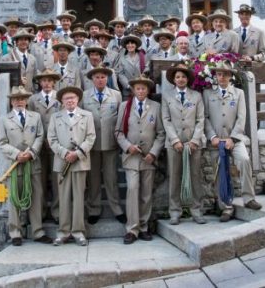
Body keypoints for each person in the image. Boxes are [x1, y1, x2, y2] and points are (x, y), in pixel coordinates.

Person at [204, 61, 261, 220]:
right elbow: (205, 118)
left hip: (235, 139)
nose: (222, 77)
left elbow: (242, 117)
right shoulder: (208, 94)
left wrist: (233, 138)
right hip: (216, 140)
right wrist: (212, 137)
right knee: (219, 170)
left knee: (244, 160)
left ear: (230, 76)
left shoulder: (238, 93)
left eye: (225, 74)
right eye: (219, 74)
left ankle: (249, 198)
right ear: (215, 76)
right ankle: (225, 206)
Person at [0, 86, 52, 246]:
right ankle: (16, 233)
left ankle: (38, 231)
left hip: (33, 162)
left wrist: (31, 152)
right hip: (14, 164)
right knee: (14, 198)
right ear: (11, 101)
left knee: (36, 196)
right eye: (16, 99)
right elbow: (1, 142)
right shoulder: (4, 119)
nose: (19, 101)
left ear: (27, 100)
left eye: (22, 98)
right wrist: (16, 154)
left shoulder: (35, 117)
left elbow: (40, 136)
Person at [115, 75, 164, 243]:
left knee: (146, 194)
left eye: (144, 88)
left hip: (148, 158)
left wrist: (154, 152)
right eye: (138, 88)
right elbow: (119, 132)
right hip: (131, 157)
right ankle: (132, 228)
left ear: (148, 90)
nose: (141, 91)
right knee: (133, 189)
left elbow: (160, 133)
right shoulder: (125, 106)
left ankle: (143, 227)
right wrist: (128, 146)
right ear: (133, 90)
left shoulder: (156, 107)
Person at [48, 86, 95, 246]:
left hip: (80, 162)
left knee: (79, 197)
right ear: (62, 101)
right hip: (62, 163)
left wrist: (78, 153)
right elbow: (52, 139)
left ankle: (79, 232)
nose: (70, 101)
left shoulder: (87, 116)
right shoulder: (55, 117)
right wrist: (64, 153)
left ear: (78, 100)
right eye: (66, 98)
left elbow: (90, 137)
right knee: (63, 197)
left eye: (73, 98)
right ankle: (63, 232)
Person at [161, 64, 207, 225]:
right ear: (174, 80)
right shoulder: (167, 96)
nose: (180, 79)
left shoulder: (196, 96)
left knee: (195, 176)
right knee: (174, 176)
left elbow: (201, 119)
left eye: (183, 77)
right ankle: (175, 211)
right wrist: (175, 140)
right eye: (177, 77)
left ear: (188, 79)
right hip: (174, 144)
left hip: (194, 144)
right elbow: (165, 120)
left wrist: (195, 140)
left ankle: (197, 210)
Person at [81, 66, 125, 225]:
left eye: (103, 77)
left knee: (111, 178)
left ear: (107, 79)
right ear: (92, 79)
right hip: (91, 144)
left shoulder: (116, 95)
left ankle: (116, 208)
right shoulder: (85, 95)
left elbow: (120, 118)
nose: (100, 80)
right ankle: (94, 209)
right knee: (93, 179)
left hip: (110, 142)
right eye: (97, 77)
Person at [30, 70, 61, 222]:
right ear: (40, 83)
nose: (47, 83)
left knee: (57, 180)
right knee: (39, 181)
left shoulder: (60, 98)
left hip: (56, 144)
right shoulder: (33, 99)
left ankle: (57, 212)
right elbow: (30, 121)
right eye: (44, 81)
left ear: (54, 82)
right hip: (39, 145)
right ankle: (40, 212)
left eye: (50, 80)